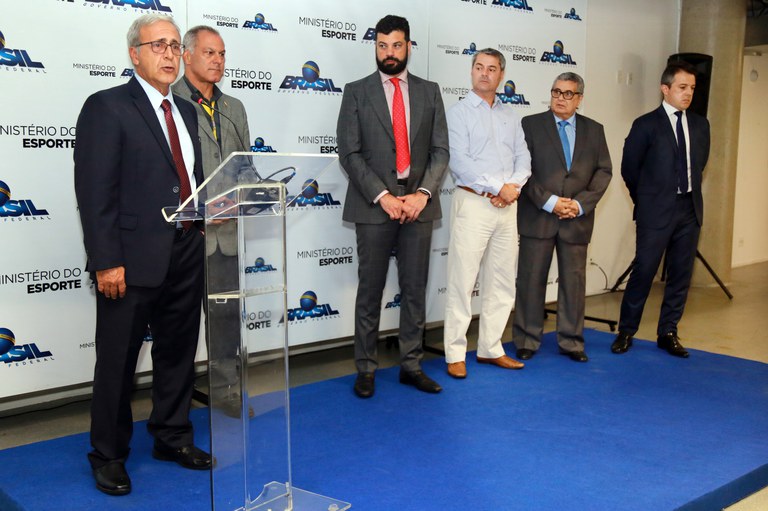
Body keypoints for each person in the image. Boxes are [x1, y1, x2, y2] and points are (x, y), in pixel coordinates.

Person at [74, 14, 211, 497]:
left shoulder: (188, 110)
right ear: (135, 54)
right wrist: (106, 260)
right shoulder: (107, 107)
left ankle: (171, 436)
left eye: (175, 46)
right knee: (118, 361)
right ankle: (108, 454)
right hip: (129, 259)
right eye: (159, 46)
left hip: (186, 248)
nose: (170, 54)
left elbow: (185, 181)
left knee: (177, 353)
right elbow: (95, 193)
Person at [336, 14, 449, 398]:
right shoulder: (356, 91)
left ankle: (411, 365)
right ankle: (365, 369)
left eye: (396, 45)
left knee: (414, 290)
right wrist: (383, 196)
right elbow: (349, 153)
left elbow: (440, 151)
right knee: (370, 291)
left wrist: (423, 194)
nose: (388, 53)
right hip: (374, 207)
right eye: (382, 45)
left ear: (409, 47)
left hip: (419, 207)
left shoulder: (430, 91)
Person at [172, 26, 252, 418]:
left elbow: (245, 167)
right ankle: (175, 404)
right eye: (209, 53)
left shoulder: (234, 108)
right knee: (179, 327)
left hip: (227, 235)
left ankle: (226, 393)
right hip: (186, 236)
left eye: (222, 53)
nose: (218, 60)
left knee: (225, 324)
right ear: (186, 56)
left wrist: (253, 191)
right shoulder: (169, 102)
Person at [611, 61, 710, 358]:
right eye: (682, 88)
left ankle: (668, 331)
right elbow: (630, 169)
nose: (688, 93)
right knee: (644, 271)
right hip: (655, 211)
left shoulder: (700, 124)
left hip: (689, 209)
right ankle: (627, 331)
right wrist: (646, 200)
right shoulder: (646, 124)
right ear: (665, 89)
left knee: (681, 274)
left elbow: (699, 165)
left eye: (692, 88)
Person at [512, 72, 612, 363]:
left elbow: (604, 171)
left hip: (576, 219)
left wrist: (579, 205)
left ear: (579, 98)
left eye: (568, 93)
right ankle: (527, 339)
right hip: (538, 215)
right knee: (530, 281)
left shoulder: (595, 130)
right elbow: (522, 169)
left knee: (574, 282)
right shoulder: (531, 125)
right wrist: (551, 202)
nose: (560, 98)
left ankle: (571, 341)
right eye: (556, 92)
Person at [443, 48, 530, 379]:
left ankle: (491, 347)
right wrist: (498, 188)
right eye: (478, 67)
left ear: (501, 76)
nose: (484, 73)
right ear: (471, 71)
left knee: (503, 280)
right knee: (462, 280)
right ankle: (454, 352)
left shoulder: (511, 116)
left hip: (508, 207)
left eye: (491, 69)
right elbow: (460, 162)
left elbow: (524, 158)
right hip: (474, 203)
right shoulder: (459, 113)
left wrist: (512, 188)